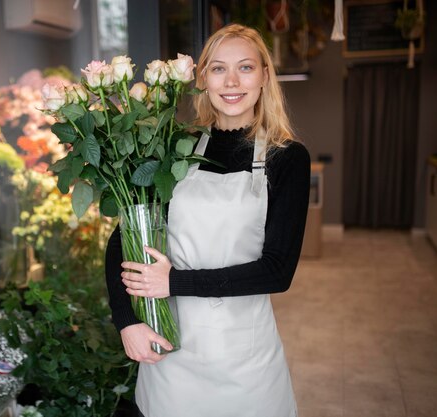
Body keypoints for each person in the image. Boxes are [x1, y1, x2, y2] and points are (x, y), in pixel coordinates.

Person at [105, 23, 310, 417]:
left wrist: (174, 281)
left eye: (246, 68)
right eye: (218, 69)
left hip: (244, 360)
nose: (232, 81)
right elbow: (122, 240)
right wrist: (127, 321)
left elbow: (277, 272)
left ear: (265, 76)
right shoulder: (173, 149)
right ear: (203, 79)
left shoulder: (287, 158)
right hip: (170, 351)